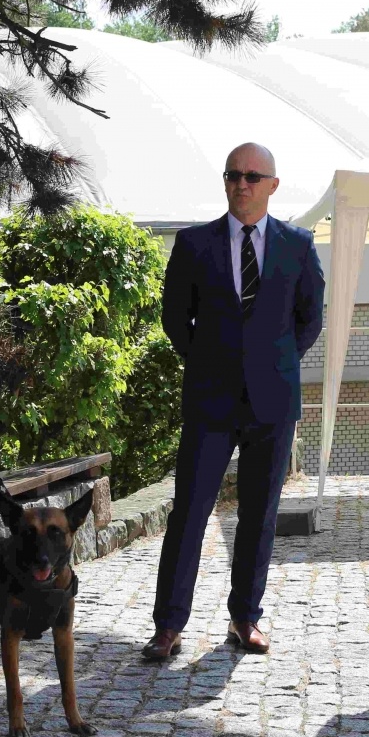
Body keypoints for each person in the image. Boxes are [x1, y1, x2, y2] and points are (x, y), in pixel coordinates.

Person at [142, 143, 325, 660]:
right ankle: (168, 625)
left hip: (272, 401)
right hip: (210, 401)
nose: (240, 184)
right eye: (232, 175)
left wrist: (272, 362)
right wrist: (210, 362)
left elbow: (309, 319)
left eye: (251, 176)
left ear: (272, 184)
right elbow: (176, 319)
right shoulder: (194, 243)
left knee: (258, 515)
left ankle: (246, 618)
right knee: (190, 514)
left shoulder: (297, 244)